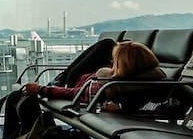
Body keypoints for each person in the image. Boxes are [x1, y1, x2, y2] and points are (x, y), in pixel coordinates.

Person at [23, 40, 164, 111]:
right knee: (114, 44)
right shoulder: (144, 78)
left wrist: (41, 89)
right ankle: (61, 78)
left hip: (75, 83)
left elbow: (73, 93)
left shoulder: (105, 86)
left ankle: (61, 79)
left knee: (108, 43)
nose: (111, 62)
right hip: (88, 79)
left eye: (114, 62)